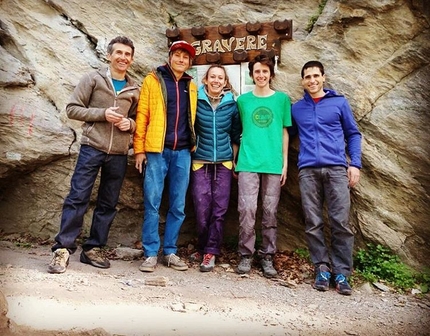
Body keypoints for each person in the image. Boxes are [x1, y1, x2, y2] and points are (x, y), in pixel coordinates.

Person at [48, 36, 139, 274]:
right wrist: (102, 114)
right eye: (118, 53)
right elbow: (72, 109)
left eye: (127, 54)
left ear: (131, 59)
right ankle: (63, 249)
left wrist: (130, 124)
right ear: (109, 55)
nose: (123, 58)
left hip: (119, 153)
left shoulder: (134, 89)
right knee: (77, 197)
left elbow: (140, 121)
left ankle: (93, 248)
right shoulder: (93, 79)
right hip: (91, 147)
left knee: (108, 203)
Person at [291, 60, 362, 295]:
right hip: (308, 170)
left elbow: (353, 134)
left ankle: (342, 272)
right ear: (302, 81)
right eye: (307, 77)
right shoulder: (297, 108)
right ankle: (321, 268)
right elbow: (282, 134)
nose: (312, 80)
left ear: (323, 77)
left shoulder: (339, 103)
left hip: (336, 169)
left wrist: (355, 165)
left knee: (340, 221)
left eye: (315, 76)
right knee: (313, 222)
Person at [133, 40, 197, 272]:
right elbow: (142, 114)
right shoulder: (153, 80)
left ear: (190, 62)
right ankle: (150, 253)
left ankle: (170, 251)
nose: (181, 59)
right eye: (178, 55)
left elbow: (192, 118)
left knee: (178, 205)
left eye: (186, 57)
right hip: (157, 151)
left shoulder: (191, 85)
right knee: (152, 202)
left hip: (182, 153)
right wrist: (139, 149)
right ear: (170, 57)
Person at [235, 54, 292, 278]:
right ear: (251, 74)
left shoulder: (282, 100)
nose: (261, 75)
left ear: (271, 74)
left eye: (265, 71)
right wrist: (235, 160)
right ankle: (245, 254)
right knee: (246, 210)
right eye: (257, 71)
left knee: (270, 211)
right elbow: (238, 132)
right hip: (248, 161)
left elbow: (284, 132)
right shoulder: (243, 101)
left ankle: (267, 256)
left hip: (273, 163)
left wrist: (285, 164)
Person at [189, 65, 241, 272]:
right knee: (202, 209)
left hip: (224, 162)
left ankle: (211, 250)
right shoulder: (196, 100)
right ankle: (202, 247)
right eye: (213, 77)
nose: (216, 81)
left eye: (220, 77)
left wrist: (234, 159)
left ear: (225, 82)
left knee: (219, 210)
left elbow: (236, 134)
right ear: (206, 80)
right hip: (200, 161)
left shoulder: (232, 105)